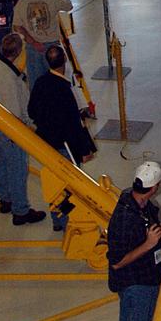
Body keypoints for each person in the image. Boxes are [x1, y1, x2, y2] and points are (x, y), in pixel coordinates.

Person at [0, 32, 46, 226]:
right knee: (17, 167)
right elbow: (14, 110)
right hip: (10, 128)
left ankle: (5, 200)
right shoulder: (7, 77)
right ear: (18, 52)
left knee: (1, 162)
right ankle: (21, 211)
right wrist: (27, 129)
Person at [28, 44, 96, 228]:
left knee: (53, 182)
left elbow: (31, 111)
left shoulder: (40, 83)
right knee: (69, 185)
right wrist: (85, 149)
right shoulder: (65, 89)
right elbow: (74, 124)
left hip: (46, 143)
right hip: (66, 146)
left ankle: (57, 220)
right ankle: (69, 220)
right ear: (65, 60)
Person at [107, 161, 161, 321]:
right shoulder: (124, 218)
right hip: (136, 285)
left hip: (150, 278)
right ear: (154, 188)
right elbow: (116, 262)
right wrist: (149, 244)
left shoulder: (142, 206)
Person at [12, 0, 73, 90]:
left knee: (36, 86)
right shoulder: (53, 0)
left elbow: (17, 26)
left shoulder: (22, 3)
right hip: (53, 49)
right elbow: (69, 5)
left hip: (33, 49)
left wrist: (33, 42)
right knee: (58, 84)